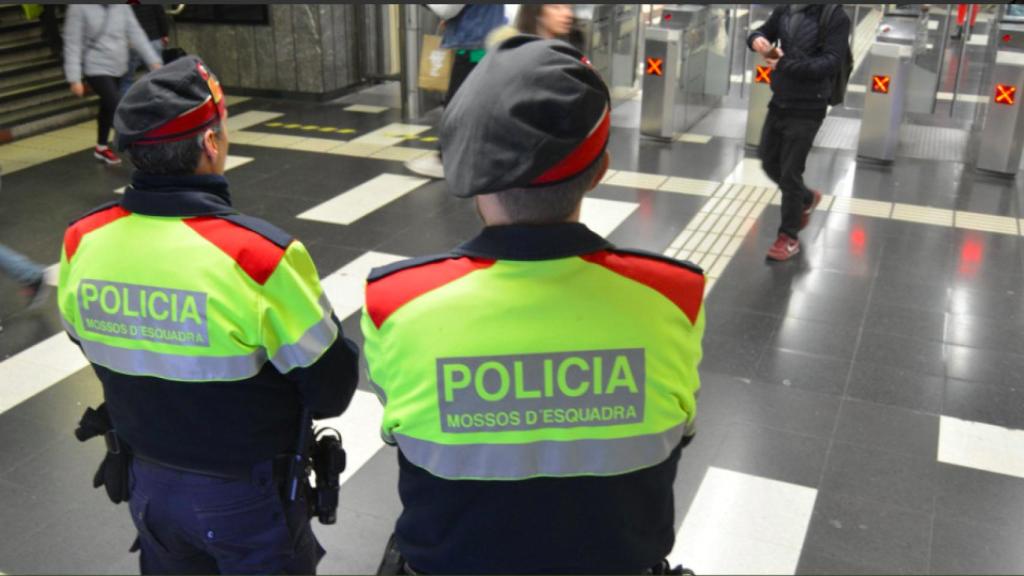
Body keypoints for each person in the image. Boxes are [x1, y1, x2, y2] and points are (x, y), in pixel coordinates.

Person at [364, 37, 705, 575]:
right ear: (600, 170)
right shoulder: (673, 296)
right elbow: (679, 429)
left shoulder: (396, 302)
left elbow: (399, 430)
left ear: (470, 170)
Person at [56, 56, 360, 574]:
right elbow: (331, 390)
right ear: (211, 144)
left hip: (146, 482)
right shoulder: (258, 256)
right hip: (247, 495)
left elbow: (88, 342)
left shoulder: (83, 240)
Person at [748, 4, 851, 261]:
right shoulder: (786, 8)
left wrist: (784, 64)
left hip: (809, 105)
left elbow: (829, 62)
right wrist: (757, 40)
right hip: (780, 98)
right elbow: (762, 31)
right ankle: (806, 198)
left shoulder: (834, 15)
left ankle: (788, 236)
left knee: (790, 172)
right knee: (769, 161)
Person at [404, 4, 505, 180]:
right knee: (476, 106)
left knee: (456, 105)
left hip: (474, 46)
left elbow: (447, 8)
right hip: (486, 42)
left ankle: (445, 161)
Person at [62, 4, 162, 166]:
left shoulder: (121, 7)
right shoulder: (78, 8)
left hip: (118, 66)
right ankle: (141, 149)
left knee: (107, 107)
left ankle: (101, 147)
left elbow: (136, 34)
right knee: (117, 105)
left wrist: (153, 61)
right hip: (95, 67)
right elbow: (72, 43)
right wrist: (74, 78)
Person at [119, 4, 170, 97]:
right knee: (156, 77)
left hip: (133, 42)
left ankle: (125, 107)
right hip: (154, 38)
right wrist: (165, 34)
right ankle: (157, 102)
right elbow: (160, 14)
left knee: (127, 80)